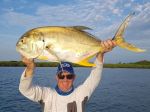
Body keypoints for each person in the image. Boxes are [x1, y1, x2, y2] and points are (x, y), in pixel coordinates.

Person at [19, 39, 116, 112]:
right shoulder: (46, 95)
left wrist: (101, 54)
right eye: (61, 76)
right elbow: (25, 89)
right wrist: (30, 67)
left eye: (69, 76)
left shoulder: (80, 94)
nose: (65, 79)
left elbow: (95, 77)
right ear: (56, 77)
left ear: (74, 77)